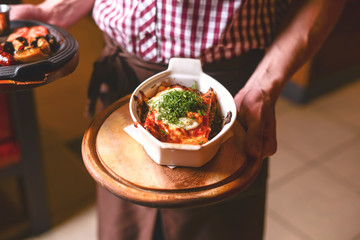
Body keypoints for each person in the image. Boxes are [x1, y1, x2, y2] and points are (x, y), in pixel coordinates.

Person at [10, 0, 347, 239]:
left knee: (218, 229)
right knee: (122, 227)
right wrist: (59, 8)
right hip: (123, 78)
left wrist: (264, 85)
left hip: (232, 88)